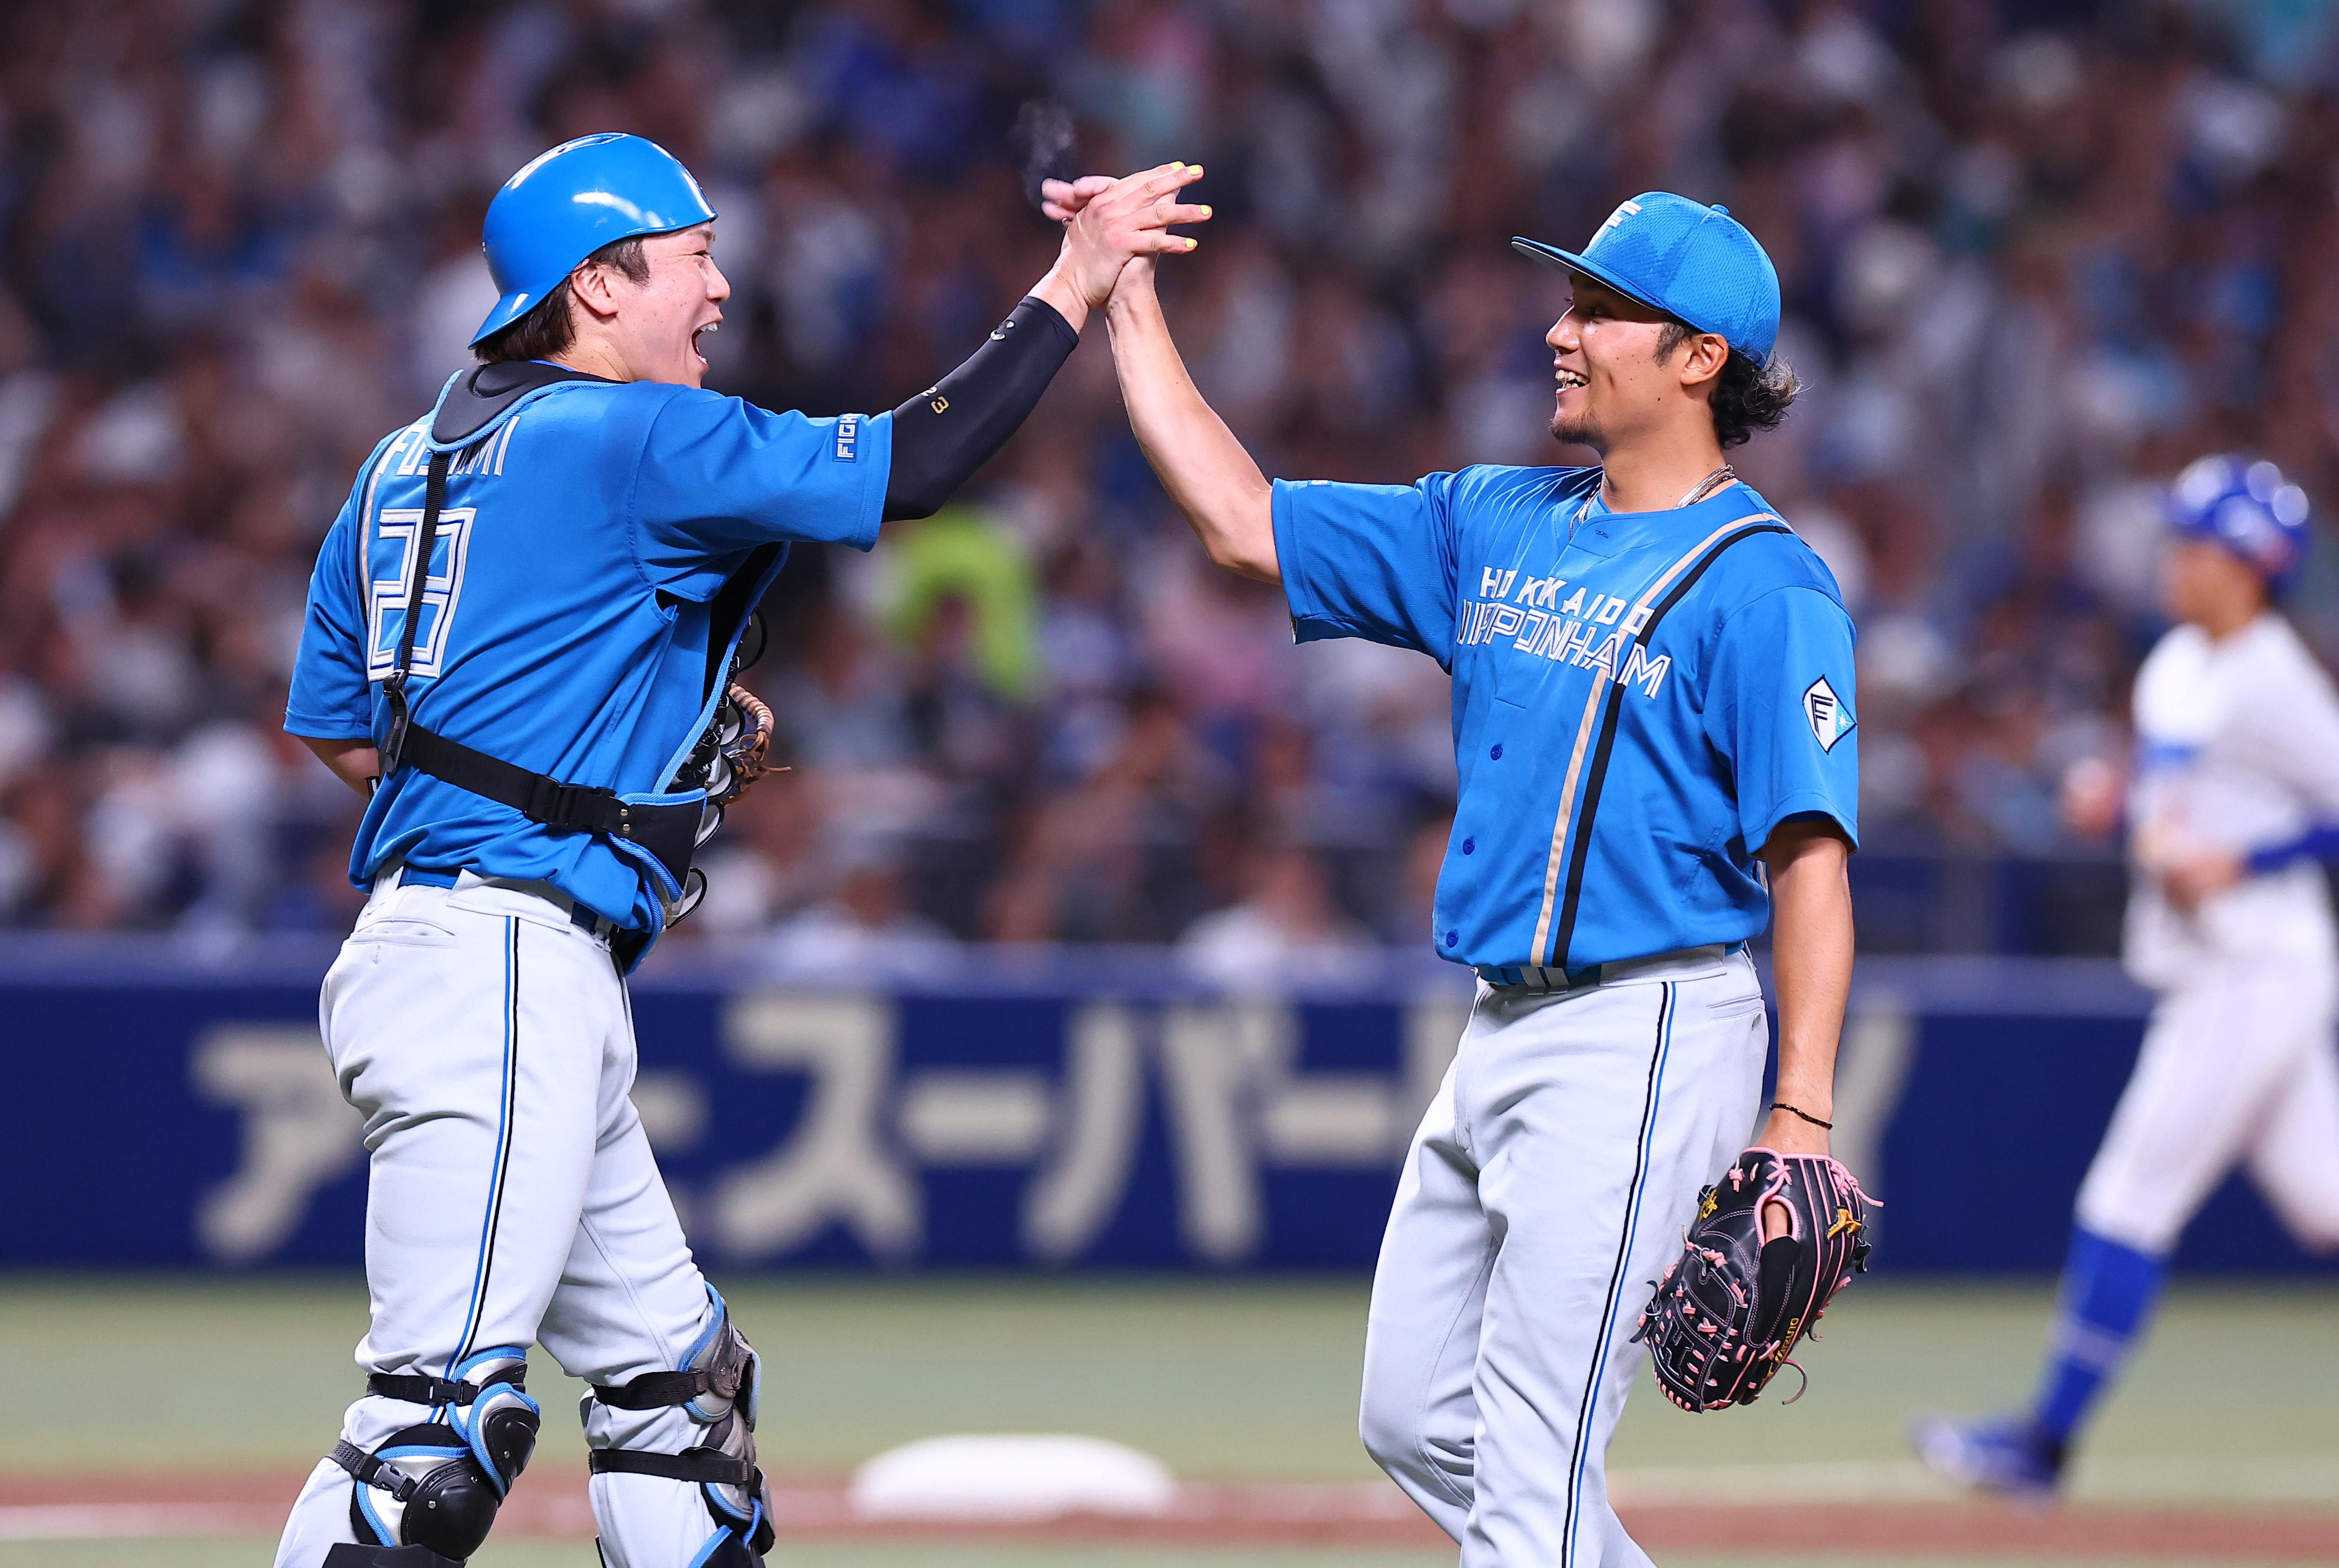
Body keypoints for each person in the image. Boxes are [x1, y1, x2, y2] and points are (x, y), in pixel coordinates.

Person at [276, 133, 1205, 1568]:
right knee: (430, 1440)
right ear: (596, 285)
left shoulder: (402, 462)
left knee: (674, 1399)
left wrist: (592, 752)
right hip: (498, 967)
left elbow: (351, 735)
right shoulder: (628, 433)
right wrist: (1074, 283)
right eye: (695, 254)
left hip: (468, 946)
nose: (720, 286)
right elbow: (922, 461)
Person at [1054, 175, 1858, 1567]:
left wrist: (1800, 1114)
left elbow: (1811, 864)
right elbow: (1245, 521)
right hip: (1498, 1027)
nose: (1561, 329)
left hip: (1648, 1028)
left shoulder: (1763, 585)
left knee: (1536, 1465)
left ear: (1698, 357)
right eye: (1568, 299)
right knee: (1419, 1414)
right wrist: (1126, 299)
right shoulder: (1492, 517)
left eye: (1602, 310)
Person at [1913, 456, 2339, 1498]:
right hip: (2219, 966)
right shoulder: (2176, 664)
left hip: (2251, 970)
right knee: (2326, 1205)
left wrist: (2246, 861)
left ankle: (2041, 1446)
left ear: (2249, 567)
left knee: (2125, 1199)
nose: (2172, 560)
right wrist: (2121, 803)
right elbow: (2176, 793)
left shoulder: (2274, 674)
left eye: (2192, 545)